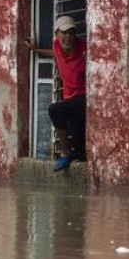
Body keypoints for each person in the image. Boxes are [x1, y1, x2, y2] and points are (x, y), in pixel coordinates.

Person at [30, 15, 87, 171]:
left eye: (71, 32)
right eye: (64, 33)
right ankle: (74, 156)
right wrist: (35, 51)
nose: (67, 36)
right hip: (70, 100)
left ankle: (64, 152)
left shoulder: (85, 49)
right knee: (80, 149)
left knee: (55, 109)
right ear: (57, 34)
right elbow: (53, 53)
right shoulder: (57, 46)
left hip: (83, 99)